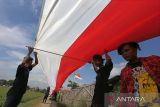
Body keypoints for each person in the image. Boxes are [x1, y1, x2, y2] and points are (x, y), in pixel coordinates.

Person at [118, 42, 160, 107]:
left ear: (135, 49)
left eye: (126, 50)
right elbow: (123, 91)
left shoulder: (152, 59)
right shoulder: (124, 72)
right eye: (122, 53)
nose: (124, 54)